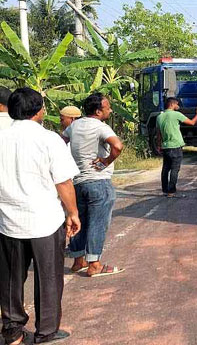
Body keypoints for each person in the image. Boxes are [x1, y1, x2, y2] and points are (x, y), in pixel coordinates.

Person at [0, 88, 81, 344]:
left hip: (8, 220)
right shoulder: (49, 139)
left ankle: (12, 331)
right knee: (49, 277)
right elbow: (64, 182)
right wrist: (73, 213)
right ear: (39, 111)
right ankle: (46, 331)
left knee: (11, 279)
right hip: (45, 220)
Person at [63, 93, 124, 278]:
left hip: (77, 183)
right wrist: (106, 161)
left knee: (78, 221)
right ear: (98, 111)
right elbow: (118, 146)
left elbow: (61, 143)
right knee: (98, 223)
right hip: (98, 182)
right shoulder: (101, 127)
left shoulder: (74, 126)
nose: (110, 110)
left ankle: (77, 260)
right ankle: (94, 264)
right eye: (107, 107)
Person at [155, 97, 197, 198]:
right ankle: (171, 192)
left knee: (165, 169)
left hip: (166, 147)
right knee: (175, 169)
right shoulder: (176, 115)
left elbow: (158, 134)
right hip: (176, 146)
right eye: (176, 104)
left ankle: (165, 190)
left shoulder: (159, 117)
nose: (178, 106)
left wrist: (159, 146)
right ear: (172, 105)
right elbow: (192, 123)